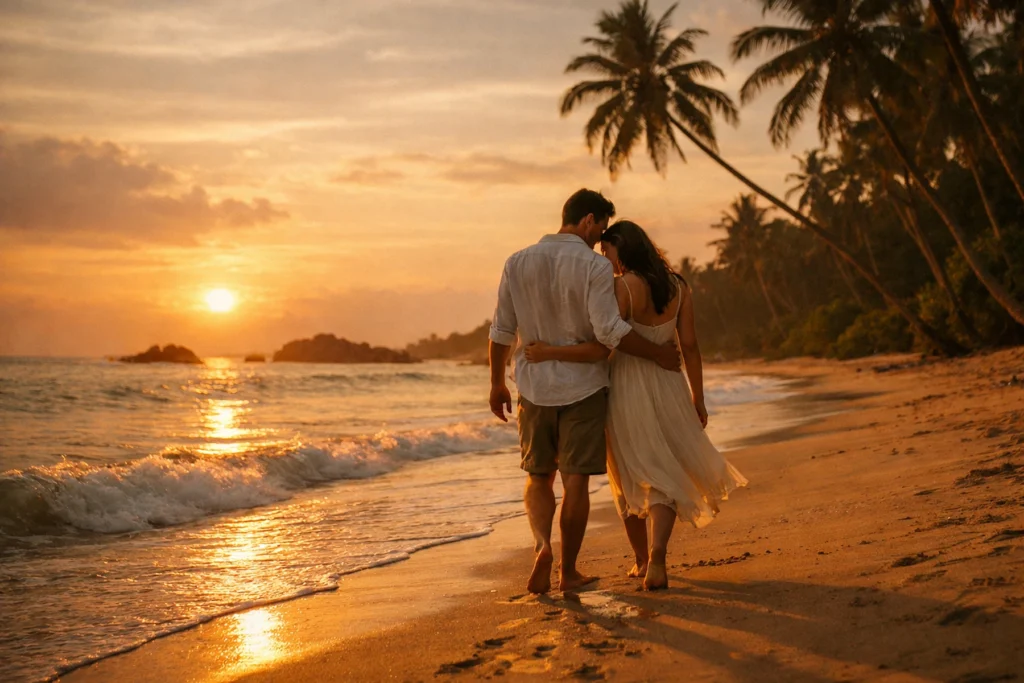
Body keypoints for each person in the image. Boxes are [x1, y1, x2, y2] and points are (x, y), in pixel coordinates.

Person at [524, 220, 748, 590]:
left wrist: (550, 351)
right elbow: (690, 346)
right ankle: (658, 554)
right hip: (670, 384)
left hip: (626, 384)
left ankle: (642, 559)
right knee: (664, 467)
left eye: (607, 251)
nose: (605, 259)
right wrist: (698, 396)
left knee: (627, 473)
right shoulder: (678, 286)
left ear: (621, 249)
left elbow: (610, 337)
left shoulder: (624, 286)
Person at [488, 190, 681, 595]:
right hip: (584, 388)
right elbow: (610, 332)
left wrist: (496, 384)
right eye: (602, 229)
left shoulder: (516, 261)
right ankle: (568, 572)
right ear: (589, 219)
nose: (601, 238)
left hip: (533, 388)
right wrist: (658, 355)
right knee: (575, 482)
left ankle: (543, 546)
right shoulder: (594, 267)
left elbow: (502, 331)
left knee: (538, 476)